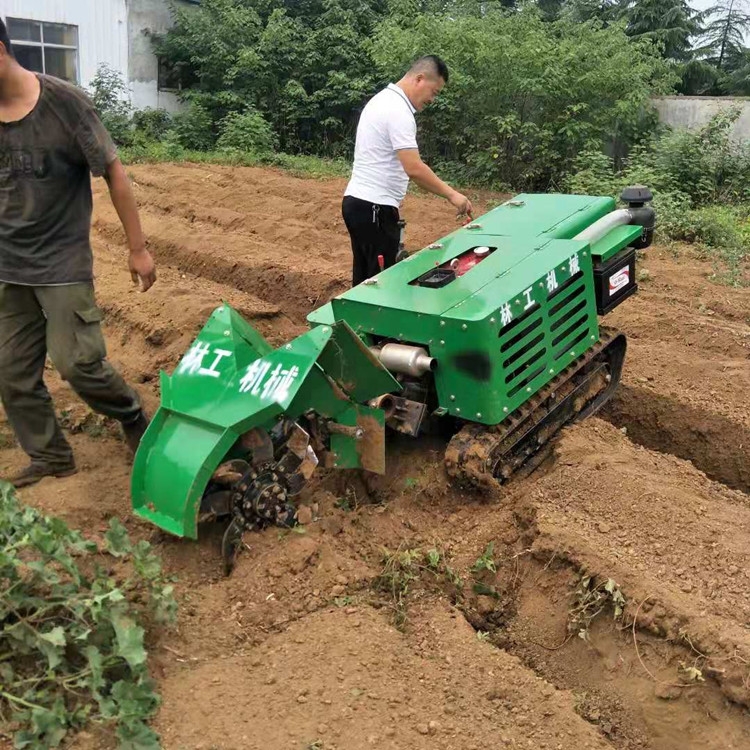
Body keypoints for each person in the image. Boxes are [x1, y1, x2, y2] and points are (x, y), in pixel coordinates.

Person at [0, 20, 156, 488]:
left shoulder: (64, 103)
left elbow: (113, 170)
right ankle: (50, 455)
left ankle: (130, 414)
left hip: (61, 262)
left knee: (77, 362)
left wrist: (138, 248)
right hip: (8, 265)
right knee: (10, 371)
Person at [342, 55, 473, 286]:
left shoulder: (383, 100)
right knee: (384, 286)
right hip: (375, 209)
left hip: (360, 204)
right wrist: (453, 195)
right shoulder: (398, 111)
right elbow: (414, 168)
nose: (433, 99)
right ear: (420, 79)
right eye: (434, 91)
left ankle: (357, 321)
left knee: (366, 283)